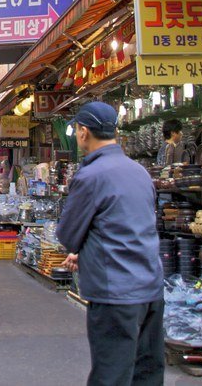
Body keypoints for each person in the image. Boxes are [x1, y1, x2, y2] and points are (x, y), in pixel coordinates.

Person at [56, 102, 164, 386]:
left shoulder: (91, 176)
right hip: (151, 288)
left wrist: (81, 249)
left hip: (115, 291)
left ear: (83, 132)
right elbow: (129, 226)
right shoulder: (139, 171)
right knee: (147, 373)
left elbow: (68, 234)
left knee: (111, 375)